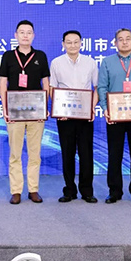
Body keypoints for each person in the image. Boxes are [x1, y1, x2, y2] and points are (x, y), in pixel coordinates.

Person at [98, 28, 131, 204]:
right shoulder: (107, 62)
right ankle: (114, 191)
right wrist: (105, 108)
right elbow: (102, 87)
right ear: (115, 43)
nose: (124, 42)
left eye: (128, 38)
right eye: (120, 39)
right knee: (115, 154)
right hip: (115, 115)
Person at [0, 20, 50, 204]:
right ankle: (16, 190)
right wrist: (5, 108)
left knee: (35, 153)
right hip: (15, 112)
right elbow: (3, 82)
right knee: (15, 153)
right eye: (22, 32)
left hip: (36, 112)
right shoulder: (8, 56)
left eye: (29, 32)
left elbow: (46, 82)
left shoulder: (40, 56)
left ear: (33, 35)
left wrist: (45, 107)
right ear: (16, 35)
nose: (25, 35)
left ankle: (33, 189)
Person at [50, 30, 99, 203]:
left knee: (86, 154)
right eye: (69, 42)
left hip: (85, 116)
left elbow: (97, 88)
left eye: (76, 42)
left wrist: (91, 108)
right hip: (65, 117)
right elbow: (52, 88)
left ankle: (87, 191)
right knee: (67, 153)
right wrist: (58, 109)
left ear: (81, 43)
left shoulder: (90, 62)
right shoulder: (56, 63)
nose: (72, 45)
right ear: (63, 44)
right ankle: (69, 190)